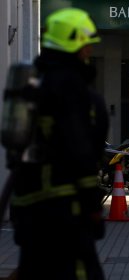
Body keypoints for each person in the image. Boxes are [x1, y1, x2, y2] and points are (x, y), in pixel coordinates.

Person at [7, 8, 109, 280]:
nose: (88, 52)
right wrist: (93, 209)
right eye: (86, 46)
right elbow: (82, 156)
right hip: (65, 215)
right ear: (74, 44)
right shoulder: (74, 91)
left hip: (27, 211)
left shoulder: (32, 86)